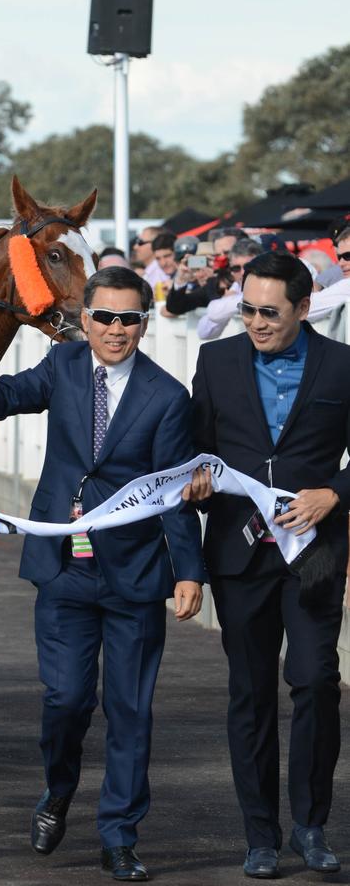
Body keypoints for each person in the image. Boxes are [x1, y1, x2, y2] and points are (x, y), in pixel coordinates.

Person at [0, 266, 205, 882]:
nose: (115, 329)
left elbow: (173, 492)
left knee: (131, 710)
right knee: (66, 701)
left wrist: (190, 571)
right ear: (85, 318)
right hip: (63, 569)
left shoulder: (167, 397)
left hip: (134, 574)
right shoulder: (62, 368)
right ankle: (58, 792)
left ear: (144, 324)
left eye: (129, 319)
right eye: (105, 316)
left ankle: (119, 837)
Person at [185, 251, 350, 879]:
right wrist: (197, 473)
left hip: (314, 553)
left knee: (313, 683)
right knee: (250, 694)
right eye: (248, 309)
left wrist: (334, 493)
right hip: (237, 552)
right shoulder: (217, 360)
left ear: (304, 309)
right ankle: (260, 834)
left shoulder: (341, 366)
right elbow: (196, 445)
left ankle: (311, 825)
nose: (254, 322)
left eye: (269, 313)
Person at [196, 238, 263, 339]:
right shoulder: (235, 286)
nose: (243, 273)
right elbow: (204, 332)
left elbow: (215, 311)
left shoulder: (268, 285)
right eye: (236, 268)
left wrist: (229, 301)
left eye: (248, 267)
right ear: (231, 270)